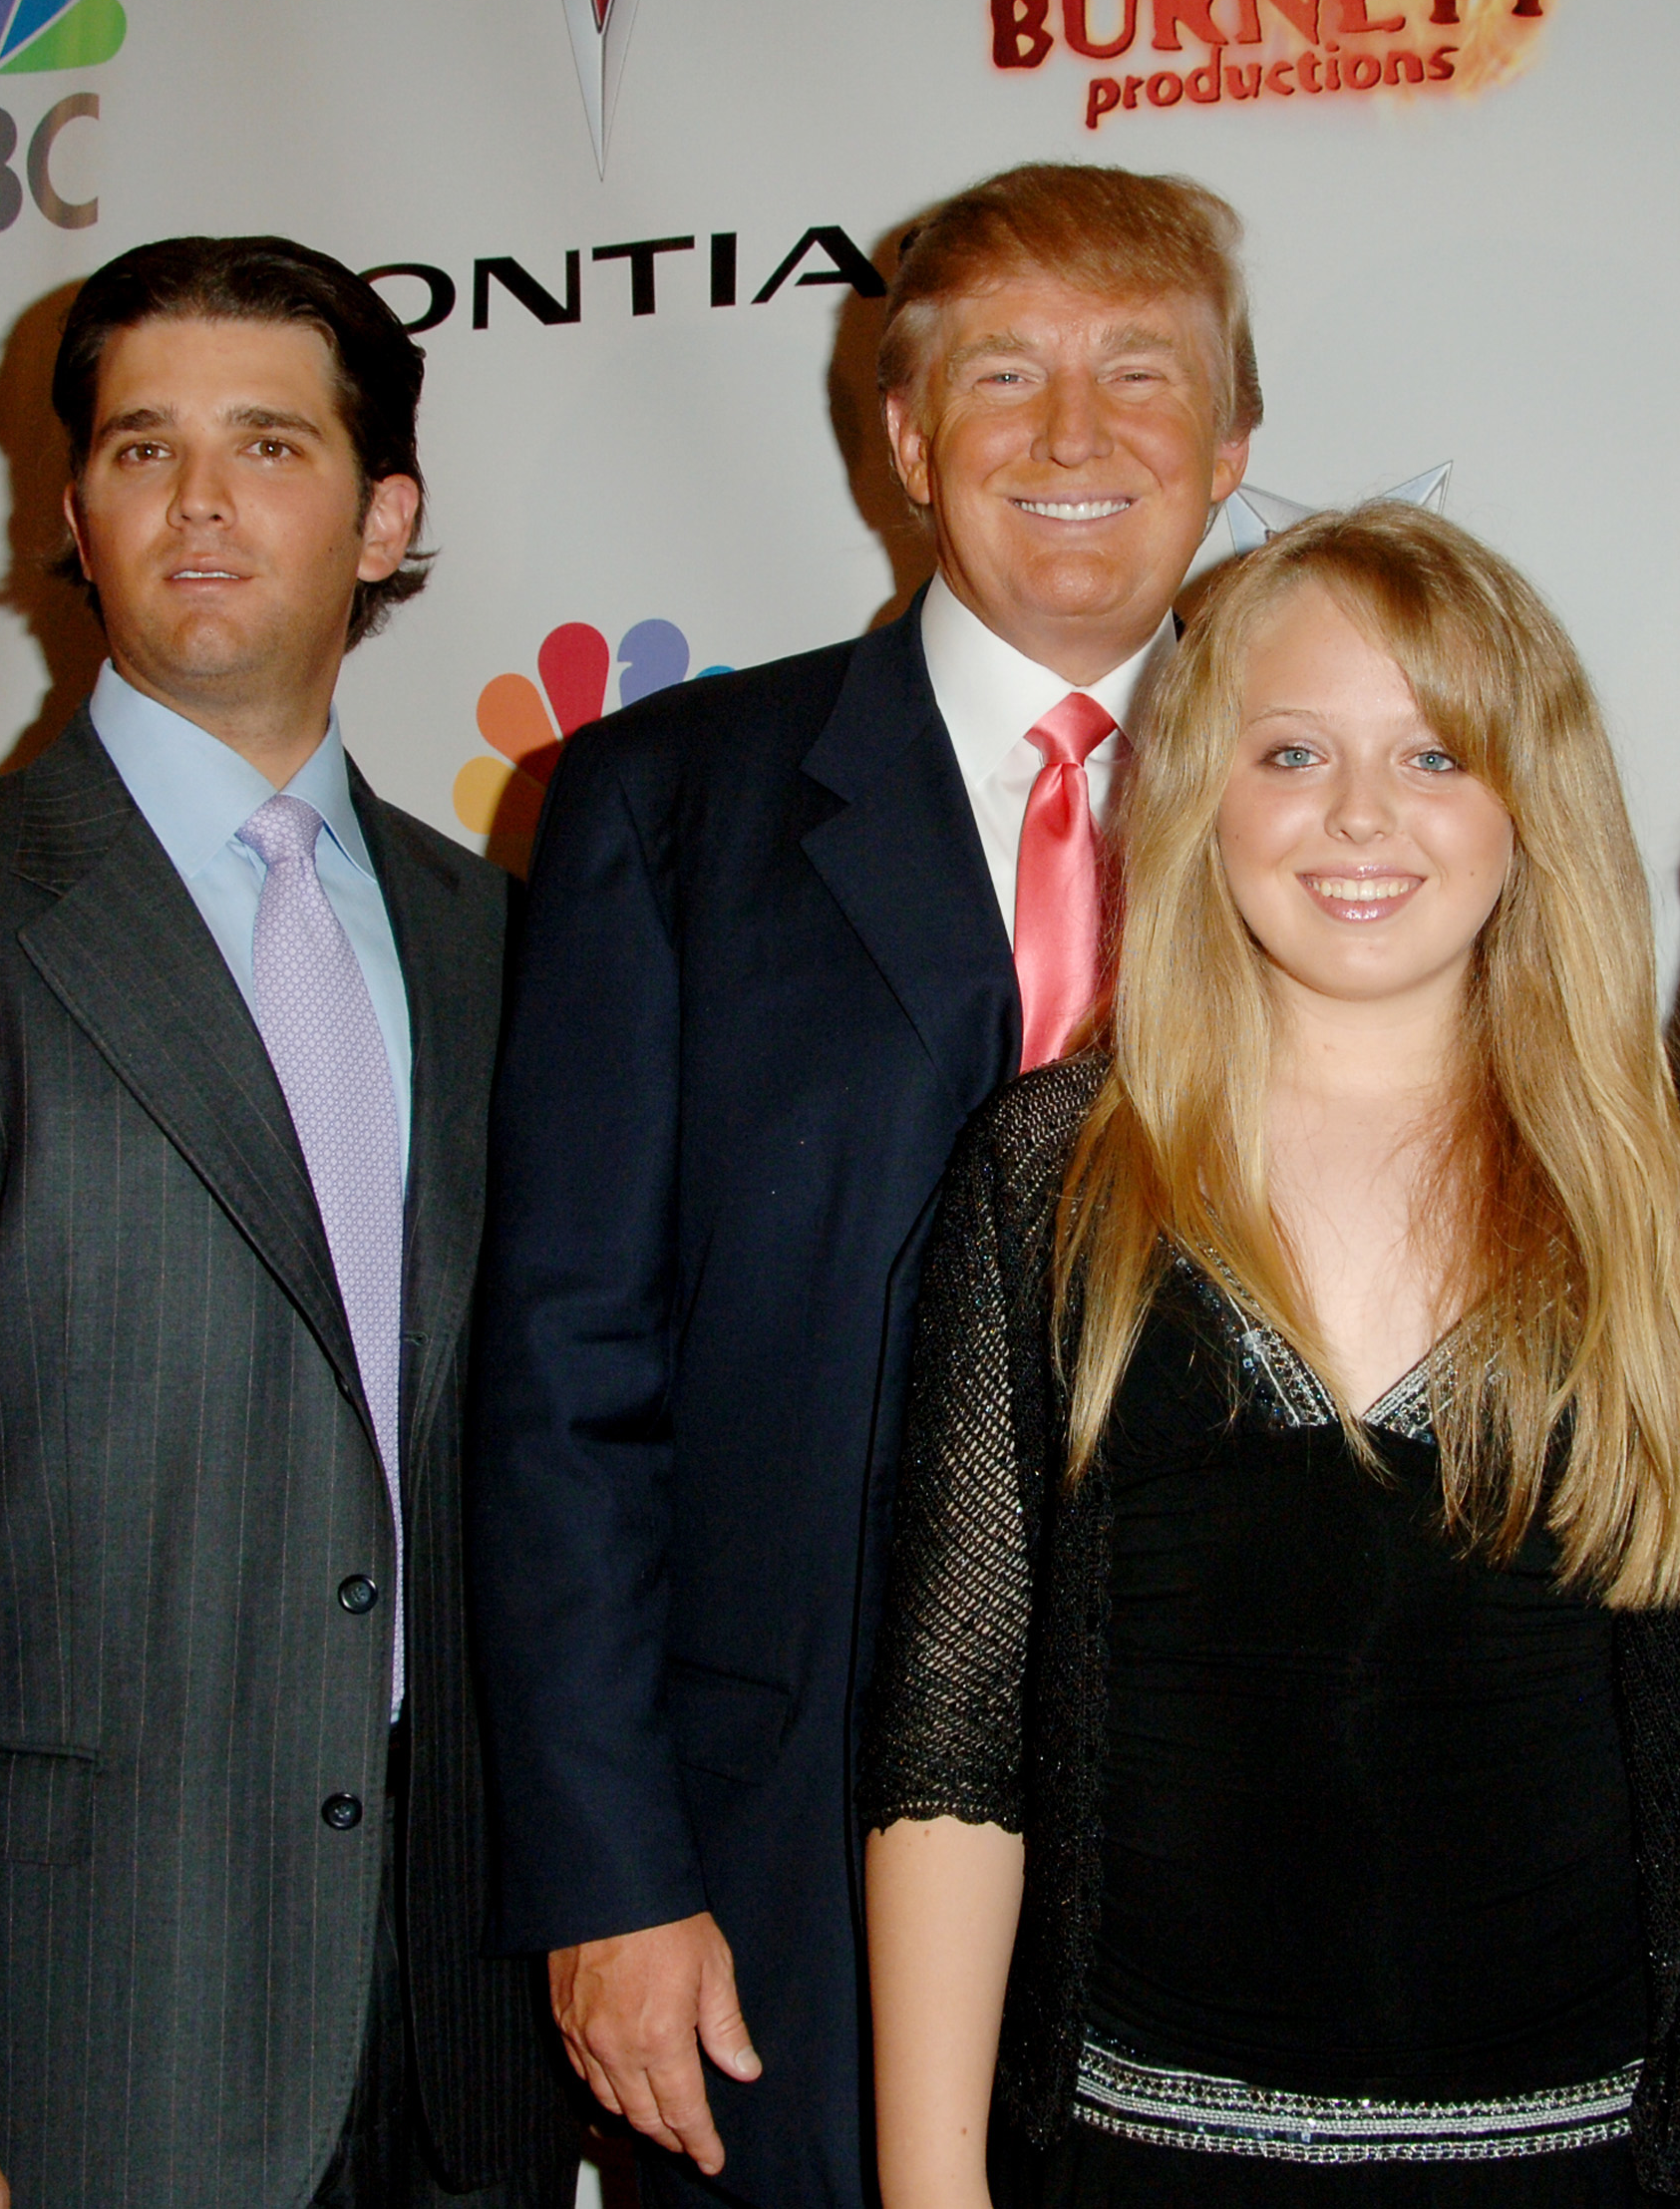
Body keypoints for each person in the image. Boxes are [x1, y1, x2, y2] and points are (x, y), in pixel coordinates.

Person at [0, 236, 575, 2209]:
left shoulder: (511, 949)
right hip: (71, 2053)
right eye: (143, 447)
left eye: (269, 443)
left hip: (467, 2052)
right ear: (73, 510)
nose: (203, 499)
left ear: (386, 516)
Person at [863, 503, 1680, 2209]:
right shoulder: (1052, 1174)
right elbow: (953, 1740)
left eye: (1436, 754)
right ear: (1194, 795)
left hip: (1578, 2160)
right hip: (1137, 2156)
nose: (1361, 816)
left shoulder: (1654, 1201)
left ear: (1532, 805)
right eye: (1292, 750)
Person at [467, 164, 1255, 2209]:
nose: (1075, 437)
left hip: (1246, 1850)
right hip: (777, 1876)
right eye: (1006, 374)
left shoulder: (1354, 811)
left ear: (1234, 444)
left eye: (1140, 375)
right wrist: (613, 1878)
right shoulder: (669, 808)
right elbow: (564, 1377)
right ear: (904, 440)